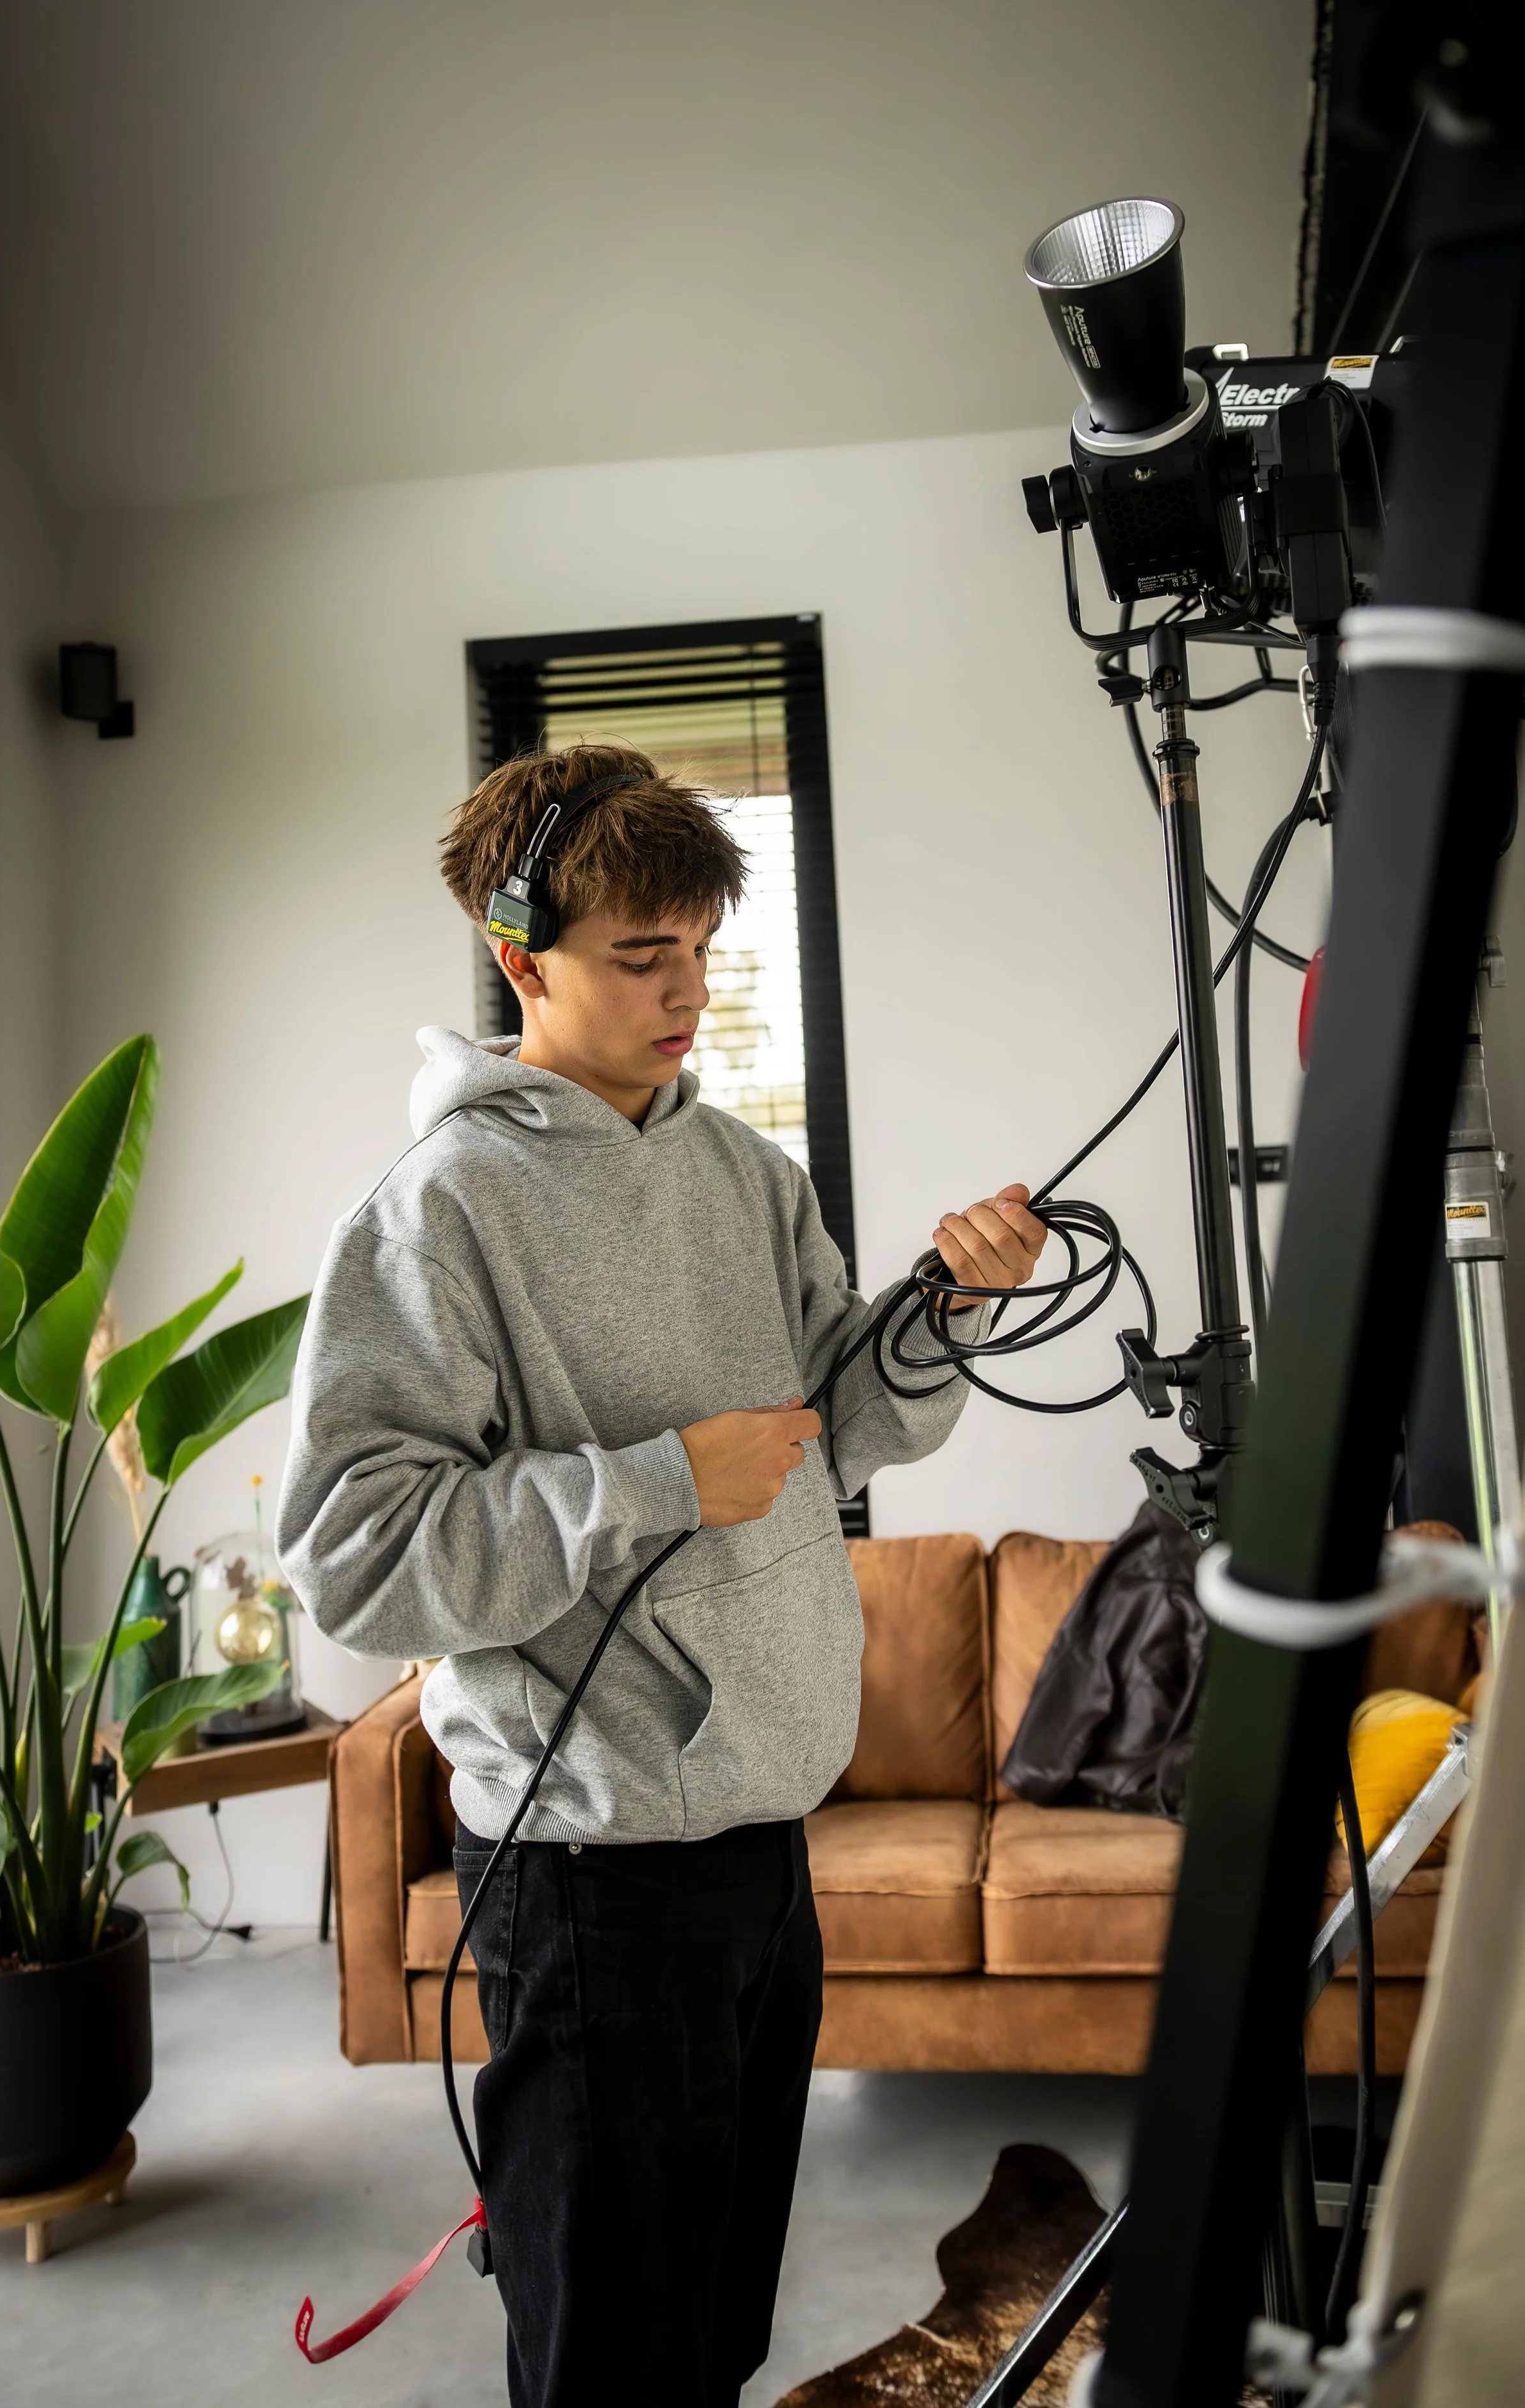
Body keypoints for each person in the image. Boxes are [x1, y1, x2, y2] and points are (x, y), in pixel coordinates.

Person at [279, 742, 1049, 2408]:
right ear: (519, 953)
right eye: (643, 954)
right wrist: (649, 1484)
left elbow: (844, 1426)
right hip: (590, 1877)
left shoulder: (741, 1173)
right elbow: (356, 1557)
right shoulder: (439, 1212)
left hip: (763, 1846)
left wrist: (946, 1304)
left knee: (709, 2329)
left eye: (701, 946)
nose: (687, 989)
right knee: (609, 2350)